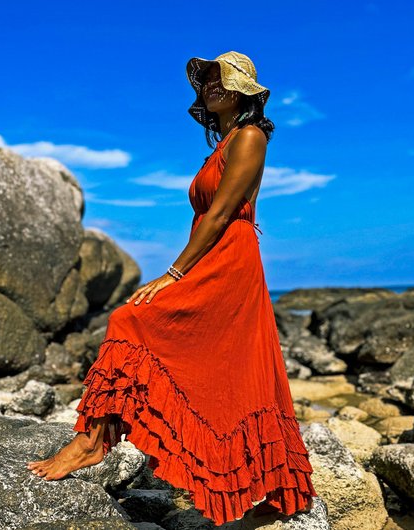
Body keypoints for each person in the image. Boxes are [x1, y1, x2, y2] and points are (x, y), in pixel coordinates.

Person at [27, 50, 317, 527]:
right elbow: (209, 217)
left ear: (245, 92)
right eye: (208, 80)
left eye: (224, 79)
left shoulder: (249, 137)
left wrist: (175, 272)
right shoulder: (225, 144)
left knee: (132, 321)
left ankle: (91, 443)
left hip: (229, 258)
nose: (213, 86)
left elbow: (222, 214)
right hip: (214, 255)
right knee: (227, 368)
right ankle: (261, 478)